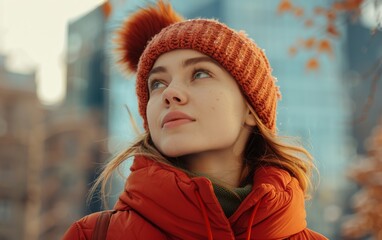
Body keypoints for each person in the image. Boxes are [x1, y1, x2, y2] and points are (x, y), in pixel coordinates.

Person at [63, 1, 328, 239]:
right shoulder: (92, 235)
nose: (170, 93)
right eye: (157, 83)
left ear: (251, 108)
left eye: (200, 74)